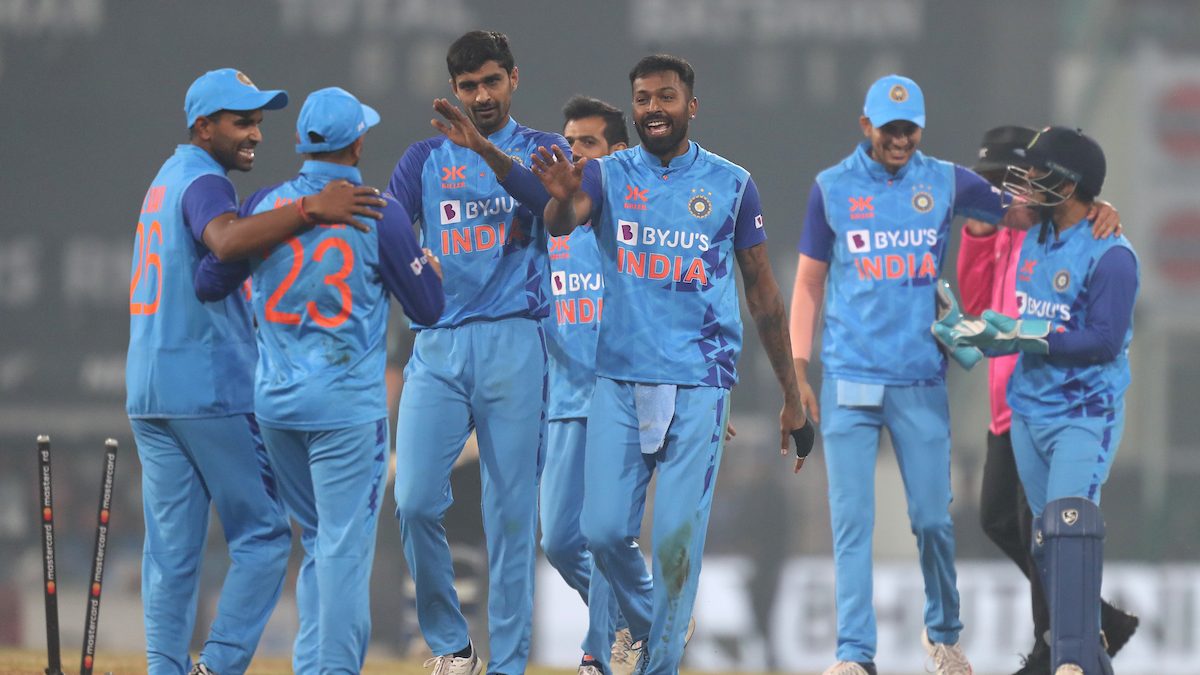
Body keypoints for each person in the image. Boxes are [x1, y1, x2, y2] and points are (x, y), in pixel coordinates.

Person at [529, 54, 813, 675]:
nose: (654, 108)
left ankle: (658, 664)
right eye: (643, 99)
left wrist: (791, 395)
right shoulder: (605, 174)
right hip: (618, 379)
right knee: (602, 534)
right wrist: (559, 200)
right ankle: (653, 627)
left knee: (675, 545)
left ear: (691, 106)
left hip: (699, 383)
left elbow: (764, 295)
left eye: (666, 96)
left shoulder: (732, 184)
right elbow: (562, 221)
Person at [126, 68, 384, 675]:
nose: (255, 135)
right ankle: (217, 666)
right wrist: (310, 208)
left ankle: (165, 668)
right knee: (265, 536)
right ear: (203, 127)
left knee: (171, 549)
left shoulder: (164, 180)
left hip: (149, 387)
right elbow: (224, 240)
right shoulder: (205, 183)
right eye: (241, 122)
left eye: (259, 122)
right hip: (210, 385)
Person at [788, 74, 1048, 675]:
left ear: (922, 129)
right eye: (890, 128)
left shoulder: (947, 181)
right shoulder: (831, 188)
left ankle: (944, 636)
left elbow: (1020, 214)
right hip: (849, 378)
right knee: (852, 524)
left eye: (910, 129)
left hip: (919, 380)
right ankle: (855, 655)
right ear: (866, 126)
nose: (901, 139)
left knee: (932, 520)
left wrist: (1089, 207)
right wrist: (798, 369)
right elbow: (808, 284)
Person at [194, 86, 445, 673]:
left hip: (277, 406)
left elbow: (210, 281)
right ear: (358, 143)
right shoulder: (377, 212)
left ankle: (313, 665)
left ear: (301, 141)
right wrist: (429, 270)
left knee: (318, 541)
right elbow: (429, 309)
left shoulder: (266, 205)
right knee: (343, 549)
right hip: (346, 411)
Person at [385, 30, 570, 675]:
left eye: (492, 81)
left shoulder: (545, 149)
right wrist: (413, 265)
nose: (482, 95)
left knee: (511, 517)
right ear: (454, 90)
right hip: (437, 343)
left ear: (513, 79)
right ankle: (453, 647)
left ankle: (510, 664)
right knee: (413, 499)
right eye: (469, 86)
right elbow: (387, 229)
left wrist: (486, 152)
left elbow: (554, 207)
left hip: (516, 337)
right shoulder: (422, 159)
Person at [941, 127, 1138, 675]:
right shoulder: (1023, 228)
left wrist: (1028, 336)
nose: (1018, 185)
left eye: (1029, 174)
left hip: (1076, 409)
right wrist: (977, 329)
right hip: (1021, 404)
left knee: (1060, 531)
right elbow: (983, 296)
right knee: (1033, 534)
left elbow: (1102, 338)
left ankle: (1063, 651)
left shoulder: (1096, 246)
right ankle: (1083, 641)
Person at [541, 95, 629, 675]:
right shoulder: (547, 224)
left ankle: (597, 657)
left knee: (600, 536)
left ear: (616, 154)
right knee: (557, 541)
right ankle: (642, 612)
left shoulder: (631, 228)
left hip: (617, 399)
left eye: (587, 145)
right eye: (567, 143)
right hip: (561, 401)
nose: (572, 155)